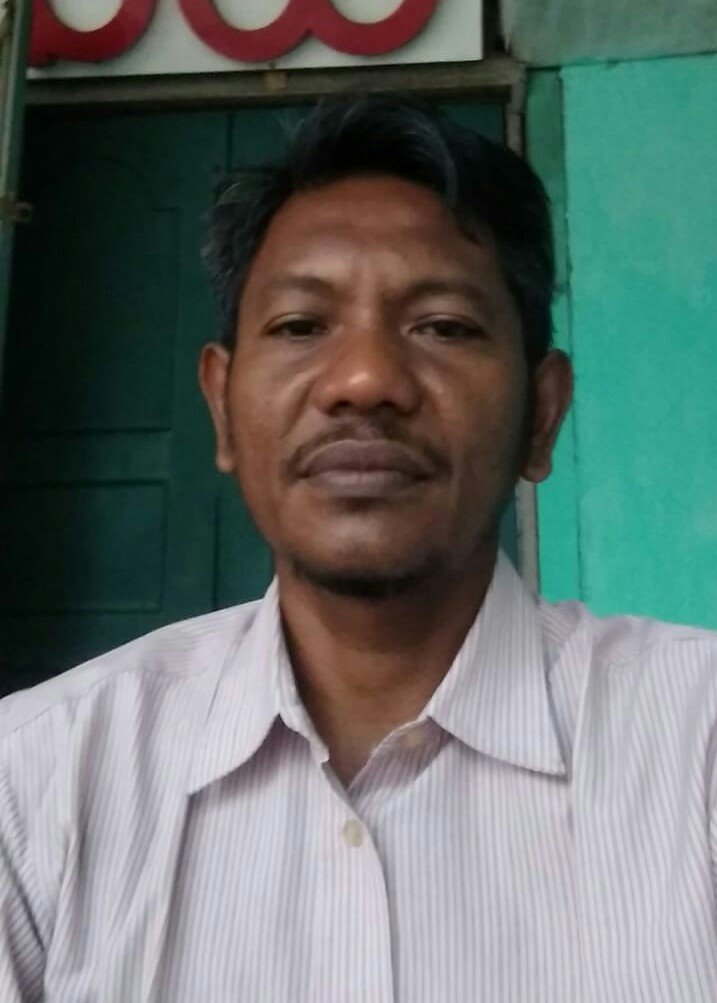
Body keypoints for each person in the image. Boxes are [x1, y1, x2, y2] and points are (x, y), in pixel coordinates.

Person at [1, 95, 716, 1003]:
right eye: (301, 326)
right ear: (221, 406)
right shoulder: (36, 785)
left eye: (442, 326)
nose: (365, 380)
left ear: (541, 414)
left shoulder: (696, 745)